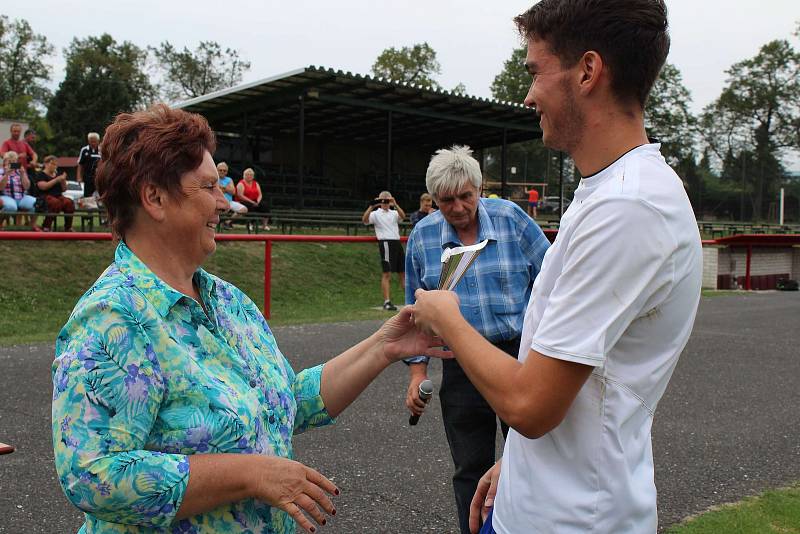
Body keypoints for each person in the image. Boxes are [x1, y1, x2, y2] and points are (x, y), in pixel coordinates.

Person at [51, 104, 440, 534]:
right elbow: (92, 476)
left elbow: (283, 403)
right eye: (208, 188)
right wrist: (251, 475)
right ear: (155, 197)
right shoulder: (113, 318)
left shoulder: (226, 299)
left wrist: (383, 346)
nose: (224, 202)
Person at [410, 2, 703, 533]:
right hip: (543, 502)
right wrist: (518, 466)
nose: (527, 95)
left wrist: (445, 314)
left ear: (588, 72)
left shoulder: (628, 208)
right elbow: (577, 388)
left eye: (535, 71)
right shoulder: (606, 193)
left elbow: (530, 404)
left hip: (573, 520)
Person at [403, 145, 549, 534]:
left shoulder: (512, 220)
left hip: (517, 357)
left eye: (466, 196)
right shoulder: (422, 237)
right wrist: (417, 374)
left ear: (479, 190)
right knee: (471, 466)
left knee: (533, 458)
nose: (458, 207)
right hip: (460, 364)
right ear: (434, 200)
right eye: (446, 200)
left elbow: (553, 280)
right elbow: (414, 312)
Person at [361, 190, 406, 311]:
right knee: (387, 273)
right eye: (383, 200)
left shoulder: (394, 212)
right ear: (379, 201)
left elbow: (403, 217)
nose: (385, 203)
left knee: (403, 273)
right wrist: (372, 206)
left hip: (396, 242)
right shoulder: (376, 214)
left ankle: (410, 300)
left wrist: (395, 204)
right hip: (385, 242)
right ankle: (387, 301)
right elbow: (365, 220)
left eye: (387, 200)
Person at [32, 155, 75, 231]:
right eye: (52, 164)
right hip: (44, 197)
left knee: (69, 202)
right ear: (46, 164)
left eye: (55, 164)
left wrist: (63, 180)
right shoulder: (40, 174)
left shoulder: (57, 175)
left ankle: (68, 227)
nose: (54, 166)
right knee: (54, 203)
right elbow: (43, 186)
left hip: (58, 196)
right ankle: (46, 226)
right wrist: (56, 180)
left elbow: (64, 189)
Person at [1, 151, 37, 220]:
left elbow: (27, 187)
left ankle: (32, 226)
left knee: (37, 204)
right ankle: (1, 224)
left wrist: (23, 174)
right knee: (11, 207)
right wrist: (6, 175)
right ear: (5, 162)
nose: (12, 163)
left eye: (14, 161)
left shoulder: (19, 171)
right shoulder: (1, 171)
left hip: (21, 197)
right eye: (9, 161)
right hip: (6, 196)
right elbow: (1, 188)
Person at [216, 161, 248, 228]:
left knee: (244, 209)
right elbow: (216, 190)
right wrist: (227, 188)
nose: (222, 172)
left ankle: (227, 222)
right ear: (216, 170)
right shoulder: (214, 178)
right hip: (217, 201)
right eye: (220, 170)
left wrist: (222, 187)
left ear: (227, 172)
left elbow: (233, 192)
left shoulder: (229, 179)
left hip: (229, 202)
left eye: (224, 171)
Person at [76, 132, 102, 201]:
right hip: (87, 177)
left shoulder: (101, 150)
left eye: (94, 142)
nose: (93, 143)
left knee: (100, 194)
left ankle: (101, 211)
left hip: (99, 178)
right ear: (88, 141)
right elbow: (80, 164)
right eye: (91, 142)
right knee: (87, 195)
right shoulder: (84, 150)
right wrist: (79, 177)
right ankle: (89, 211)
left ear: (98, 141)